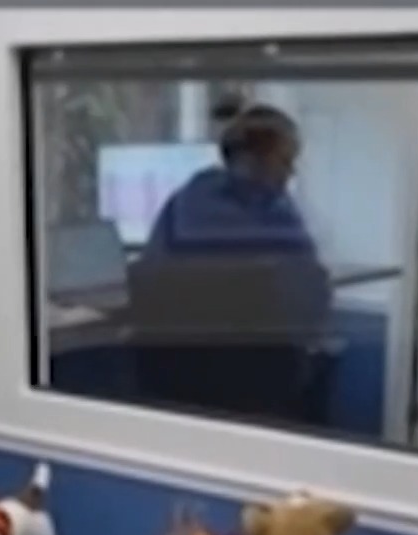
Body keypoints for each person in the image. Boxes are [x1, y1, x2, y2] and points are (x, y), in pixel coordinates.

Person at [128, 98, 334, 423]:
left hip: (173, 387)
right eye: (285, 160)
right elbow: (312, 300)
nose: (291, 173)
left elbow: (147, 279)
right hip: (255, 391)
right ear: (256, 159)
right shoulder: (274, 211)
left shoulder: (186, 202)